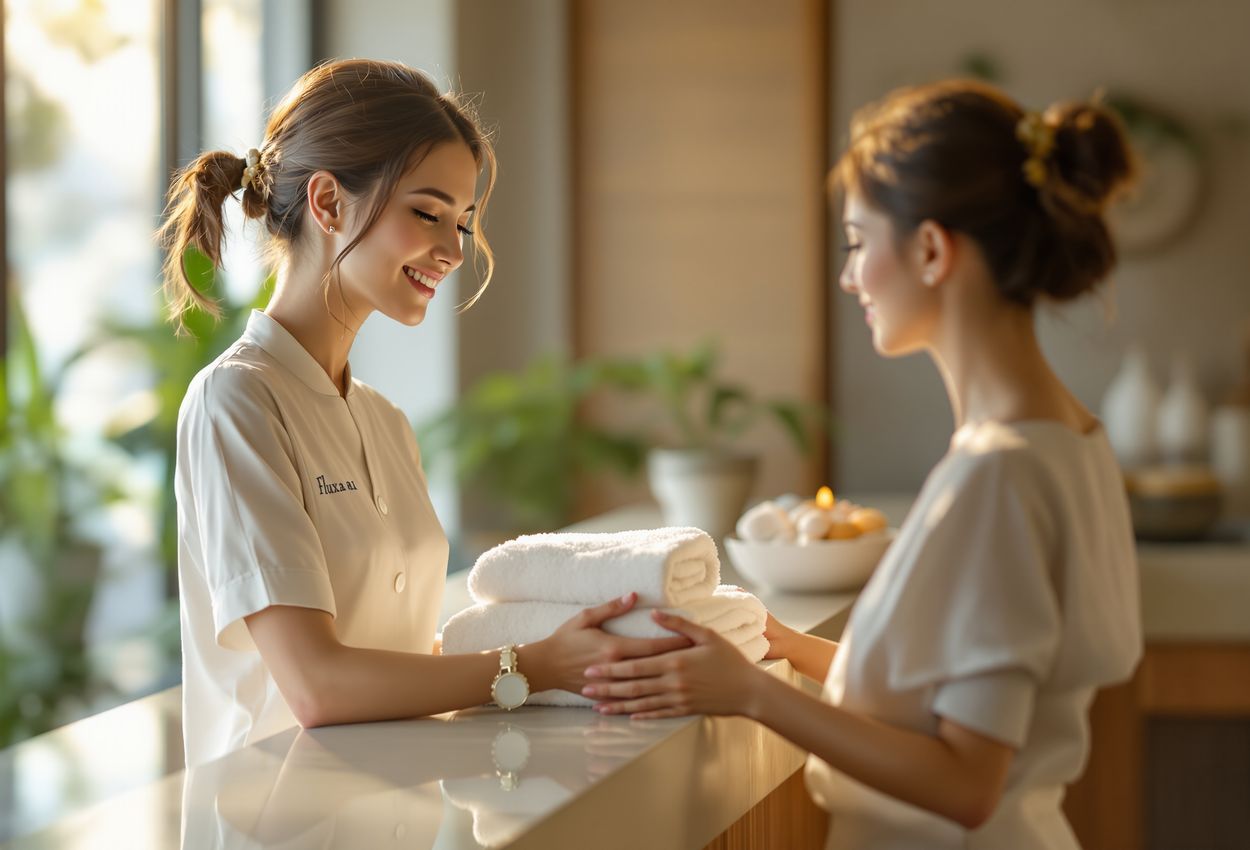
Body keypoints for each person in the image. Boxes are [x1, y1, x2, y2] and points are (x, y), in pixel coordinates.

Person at [582, 79, 1144, 850]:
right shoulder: (1072, 439)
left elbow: (966, 783)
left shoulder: (999, 475)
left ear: (930, 249)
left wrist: (752, 693)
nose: (849, 278)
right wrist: (781, 642)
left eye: (856, 242)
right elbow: (949, 694)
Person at [160, 58, 688, 770]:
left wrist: (589, 649)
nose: (452, 250)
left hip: (393, 809)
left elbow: (400, 654)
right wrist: (536, 663)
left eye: (462, 223)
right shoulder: (237, 401)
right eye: (427, 213)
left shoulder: (382, 420)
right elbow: (319, 685)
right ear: (328, 203)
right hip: (275, 820)